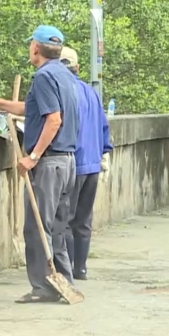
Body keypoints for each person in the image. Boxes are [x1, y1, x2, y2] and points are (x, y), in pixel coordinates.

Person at [0, 25, 80, 303]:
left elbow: (53, 119)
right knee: (57, 227)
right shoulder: (65, 75)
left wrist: (33, 157)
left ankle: (43, 288)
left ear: (35, 48)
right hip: (68, 162)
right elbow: (31, 109)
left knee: (37, 226)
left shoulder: (43, 77)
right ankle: (64, 282)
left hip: (50, 163)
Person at [59, 46, 112, 280]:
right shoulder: (91, 93)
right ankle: (81, 267)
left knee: (65, 219)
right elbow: (103, 126)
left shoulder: (63, 90)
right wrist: (104, 153)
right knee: (83, 219)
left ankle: (67, 267)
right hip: (92, 163)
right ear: (77, 68)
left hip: (74, 161)